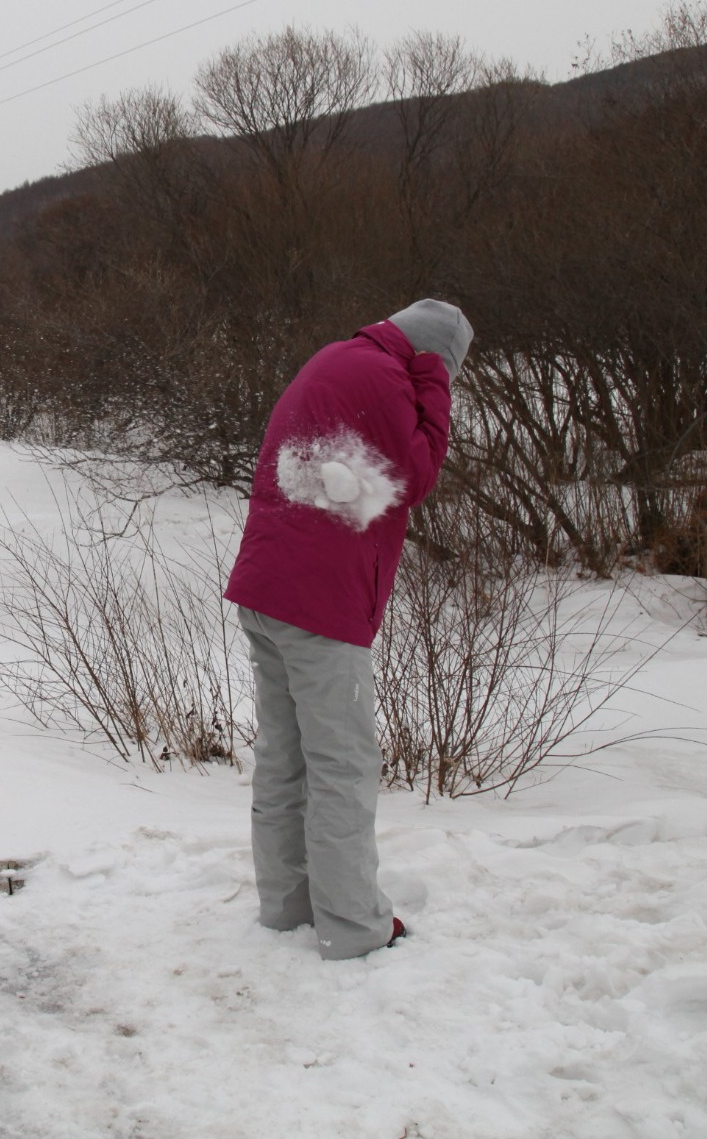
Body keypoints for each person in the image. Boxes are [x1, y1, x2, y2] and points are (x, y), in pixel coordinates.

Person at [224, 299, 471, 959]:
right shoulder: (388, 378)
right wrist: (433, 384)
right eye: (450, 366)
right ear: (433, 355)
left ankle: (287, 907)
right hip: (319, 600)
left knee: (286, 756)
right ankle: (354, 927)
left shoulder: (339, 358)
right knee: (341, 764)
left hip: (269, 587)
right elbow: (417, 475)